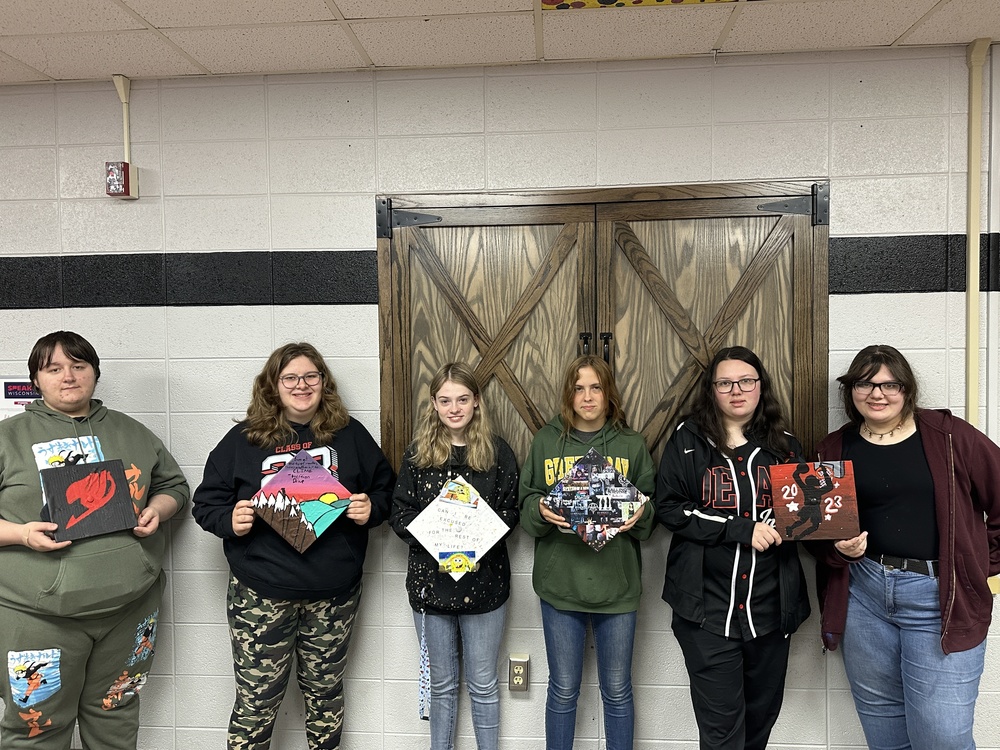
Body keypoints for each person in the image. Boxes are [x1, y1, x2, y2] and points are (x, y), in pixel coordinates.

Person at [192, 342, 395, 750]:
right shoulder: (244, 440)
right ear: (273, 385)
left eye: (310, 376)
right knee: (256, 702)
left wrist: (371, 508)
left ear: (324, 382)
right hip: (261, 594)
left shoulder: (351, 435)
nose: (301, 385)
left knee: (325, 696)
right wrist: (230, 520)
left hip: (333, 594)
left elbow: (387, 490)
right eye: (290, 378)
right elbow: (205, 504)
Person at [0, 331, 189, 750]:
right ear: (36, 379)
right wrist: (21, 534)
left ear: (95, 373)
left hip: (129, 610)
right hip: (39, 618)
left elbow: (174, 485)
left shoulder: (130, 431)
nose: (68, 376)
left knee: (115, 717)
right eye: (54, 368)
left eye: (78, 366)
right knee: (36, 727)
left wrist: (157, 510)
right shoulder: (7, 438)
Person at [814, 344, 1000, 750]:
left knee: (942, 737)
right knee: (885, 731)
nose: (877, 394)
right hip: (863, 596)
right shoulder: (834, 448)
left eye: (890, 384)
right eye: (865, 384)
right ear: (850, 390)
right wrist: (841, 551)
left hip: (938, 599)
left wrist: (979, 565)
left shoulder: (949, 436)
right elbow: (820, 534)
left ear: (907, 389)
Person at [655, 346, 810, 750]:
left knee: (759, 726)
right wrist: (740, 528)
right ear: (711, 390)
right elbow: (670, 508)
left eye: (745, 381)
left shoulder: (785, 447)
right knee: (722, 734)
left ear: (761, 386)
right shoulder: (688, 440)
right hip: (707, 612)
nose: (736, 390)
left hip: (770, 612)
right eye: (725, 383)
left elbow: (805, 513)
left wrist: (841, 536)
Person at [519, 355, 655, 750]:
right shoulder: (546, 441)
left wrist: (642, 513)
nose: (588, 396)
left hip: (617, 587)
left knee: (618, 690)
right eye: (578, 388)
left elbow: (653, 512)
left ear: (609, 393)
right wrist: (539, 510)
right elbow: (525, 506)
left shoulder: (631, 444)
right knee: (563, 689)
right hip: (560, 586)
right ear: (568, 394)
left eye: (596, 387)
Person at [390, 363, 519, 750]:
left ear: (476, 401)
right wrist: (439, 536)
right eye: (445, 401)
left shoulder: (497, 452)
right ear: (433, 403)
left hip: (485, 586)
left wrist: (476, 535)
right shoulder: (418, 454)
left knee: (484, 685)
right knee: (442, 686)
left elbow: (511, 512)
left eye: (462, 399)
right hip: (431, 589)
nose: (454, 408)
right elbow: (400, 515)